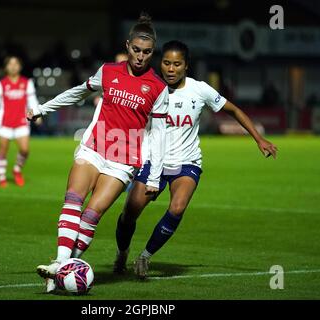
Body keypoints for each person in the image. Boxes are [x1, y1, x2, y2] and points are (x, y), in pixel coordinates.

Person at [28, 13, 169, 292]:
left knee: (92, 215)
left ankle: (62, 271)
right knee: (73, 199)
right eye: (136, 50)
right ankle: (60, 265)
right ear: (127, 45)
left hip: (124, 160)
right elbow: (77, 92)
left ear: (153, 52)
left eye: (147, 52)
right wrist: (44, 108)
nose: (140, 56)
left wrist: (154, 176)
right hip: (94, 147)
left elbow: (160, 134)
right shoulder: (108, 71)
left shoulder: (158, 87)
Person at [114, 40, 278, 279]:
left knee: (177, 207)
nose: (170, 69)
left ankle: (145, 257)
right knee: (130, 212)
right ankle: (122, 253)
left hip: (187, 162)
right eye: (167, 63)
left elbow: (233, 110)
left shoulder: (200, 90)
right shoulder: (150, 87)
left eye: (176, 64)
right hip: (153, 162)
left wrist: (259, 139)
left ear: (186, 66)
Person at [0, 56, 39, 187]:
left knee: (25, 150)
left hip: (21, 122)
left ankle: (17, 170)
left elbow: (32, 100)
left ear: (20, 66)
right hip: (4, 123)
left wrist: (37, 114)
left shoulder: (27, 82)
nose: (13, 66)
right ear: (5, 67)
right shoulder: (0, 84)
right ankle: (1, 177)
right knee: (3, 149)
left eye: (16, 63)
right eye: (10, 64)